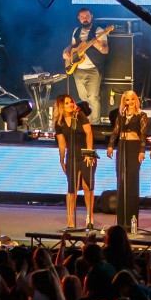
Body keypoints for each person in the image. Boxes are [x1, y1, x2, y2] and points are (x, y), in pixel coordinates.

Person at [107, 90, 149, 233]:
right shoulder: (121, 115)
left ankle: (132, 222)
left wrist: (142, 151)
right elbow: (116, 131)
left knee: (131, 183)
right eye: (127, 100)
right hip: (122, 147)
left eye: (132, 99)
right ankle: (121, 222)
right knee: (122, 182)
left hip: (134, 148)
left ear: (135, 100)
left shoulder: (142, 115)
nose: (129, 102)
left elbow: (143, 134)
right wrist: (111, 146)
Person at [53, 94, 96, 230]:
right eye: (67, 103)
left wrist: (89, 154)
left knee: (87, 186)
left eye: (71, 102)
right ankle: (70, 220)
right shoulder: (59, 123)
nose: (71, 104)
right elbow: (62, 143)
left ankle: (90, 216)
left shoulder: (80, 115)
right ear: (61, 106)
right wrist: (61, 159)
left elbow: (89, 134)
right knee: (72, 188)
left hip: (86, 154)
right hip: (71, 155)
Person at [63, 8, 109, 120]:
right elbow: (73, 46)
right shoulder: (76, 31)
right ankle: (86, 122)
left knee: (93, 97)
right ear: (79, 18)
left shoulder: (99, 31)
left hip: (93, 69)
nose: (85, 19)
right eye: (82, 17)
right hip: (77, 68)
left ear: (91, 16)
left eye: (87, 16)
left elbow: (105, 50)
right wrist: (66, 51)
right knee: (83, 98)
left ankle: (95, 123)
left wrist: (97, 44)